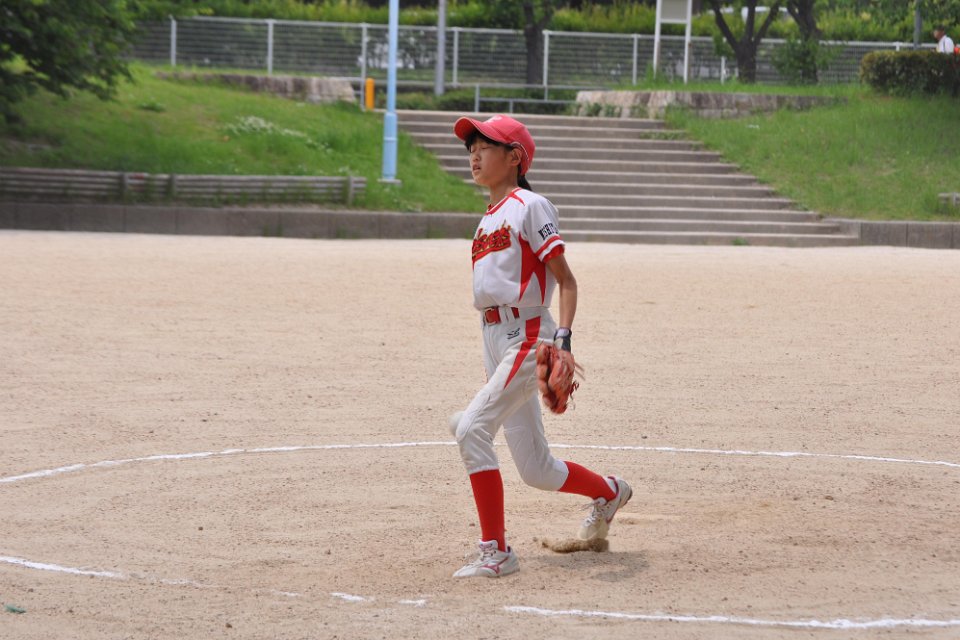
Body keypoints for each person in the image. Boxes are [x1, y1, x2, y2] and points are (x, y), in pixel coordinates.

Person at [448, 114, 632, 579]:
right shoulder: (487, 219)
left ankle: (496, 552)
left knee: (471, 429)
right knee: (535, 468)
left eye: (485, 146)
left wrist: (562, 338)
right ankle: (609, 492)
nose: (474, 155)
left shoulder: (530, 206)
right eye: (471, 148)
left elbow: (566, 281)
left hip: (528, 337)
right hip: (493, 337)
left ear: (514, 157)